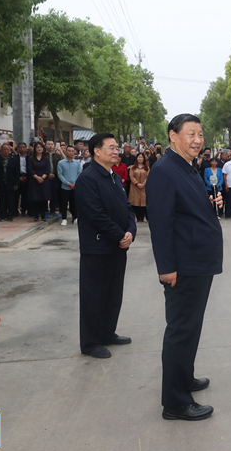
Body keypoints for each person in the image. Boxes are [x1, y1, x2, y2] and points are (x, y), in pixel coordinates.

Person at [146, 114, 222, 421]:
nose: (197, 140)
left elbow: (185, 210)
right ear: (172, 136)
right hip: (184, 265)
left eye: (201, 134)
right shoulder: (164, 171)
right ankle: (176, 402)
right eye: (191, 134)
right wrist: (166, 267)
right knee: (181, 330)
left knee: (191, 327)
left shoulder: (188, 167)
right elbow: (161, 224)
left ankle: (184, 378)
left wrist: (208, 204)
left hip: (198, 261)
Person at [75, 133, 136, 359]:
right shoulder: (88, 178)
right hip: (97, 248)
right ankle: (90, 342)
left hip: (118, 246)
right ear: (96, 151)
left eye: (116, 147)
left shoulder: (114, 177)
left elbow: (127, 207)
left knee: (113, 293)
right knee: (94, 296)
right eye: (110, 147)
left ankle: (107, 333)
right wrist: (119, 234)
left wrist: (131, 231)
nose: (115, 150)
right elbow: (95, 214)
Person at [0, 142, 20, 222]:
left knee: (11, 200)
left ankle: (10, 215)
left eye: (7, 149)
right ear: (1, 150)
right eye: (4, 149)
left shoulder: (14, 160)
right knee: (1, 200)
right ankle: (2, 215)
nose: (5, 151)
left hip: (10, 183)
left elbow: (17, 172)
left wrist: (16, 183)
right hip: (0, 183)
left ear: (10, 150)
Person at [58, 145, 83, 226]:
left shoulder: (76, 163)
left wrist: (75, 184)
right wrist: (68, 183)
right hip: (65, 187)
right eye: (69, 151)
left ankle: (75, 217)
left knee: (74, 203)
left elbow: (79, 174)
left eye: (72, 151)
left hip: (75, 187)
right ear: (65, 151)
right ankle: (64, 218)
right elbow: (60, 175)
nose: (71, 152)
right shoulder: (61, 163)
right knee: (64, 203)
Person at [27, 142, 52, 222]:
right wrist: (37, 177)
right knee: (35, 199)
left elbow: (48, 169)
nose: (39, 149)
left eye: (40, 147)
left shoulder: (46, 158)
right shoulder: (31, 158)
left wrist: (42, 177)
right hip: (34, 180)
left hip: (44, 181)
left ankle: (43, 215)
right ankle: (36, 215)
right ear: (35, 149)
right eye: (37, 147)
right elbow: (30, 169)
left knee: (43, 199)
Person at [127, 153, 149, 223]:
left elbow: (148, 177)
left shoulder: (147, 168)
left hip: (143, 187)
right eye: (139, 157)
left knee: (144, 202)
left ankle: (144, 217)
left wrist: (143, 183)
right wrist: (136, 183)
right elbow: (131, 176)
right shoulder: (133, 167)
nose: (140, 158)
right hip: (135, 187)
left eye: (141, 157)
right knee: (134, 202)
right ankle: (135, 216)